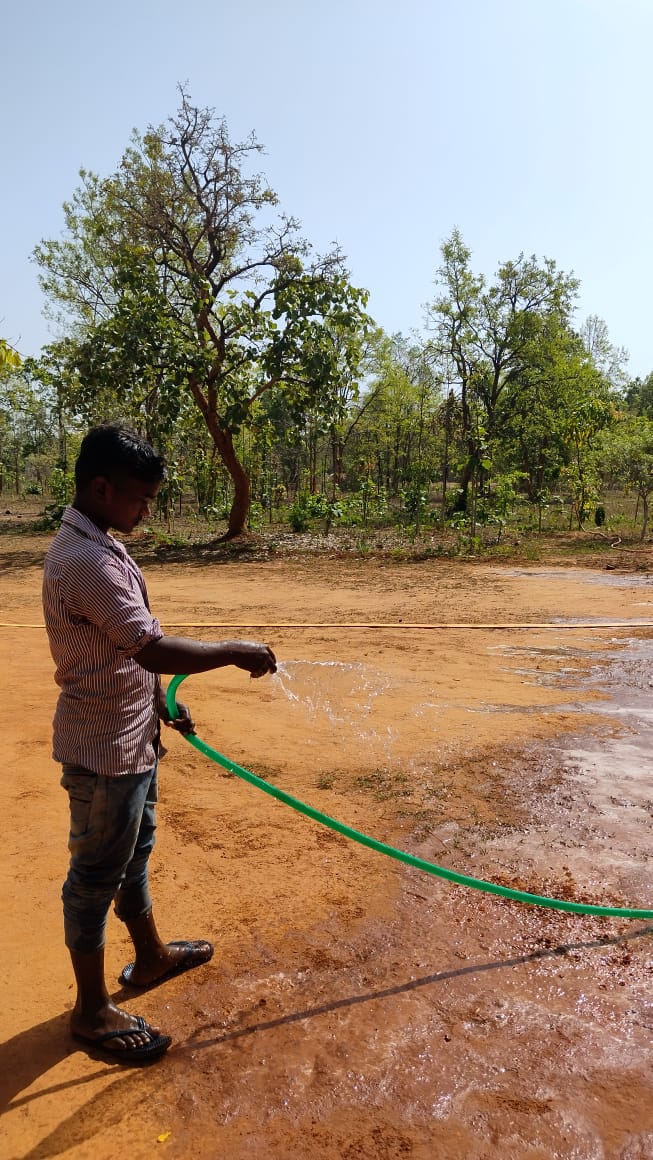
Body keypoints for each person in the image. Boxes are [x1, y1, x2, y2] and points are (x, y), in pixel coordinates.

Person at [42, 424, 277, 1065]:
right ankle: (91, 1011)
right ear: (100, 487)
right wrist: (235, 651)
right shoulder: (85, 560)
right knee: (94, 876)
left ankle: (148, 956)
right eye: (140, 498)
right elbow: (147, 645)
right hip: (103, 751)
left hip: (131, 735)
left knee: (133, 853)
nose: (147, 509)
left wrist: (158, 705)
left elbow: (124, 653)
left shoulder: (100, 542)